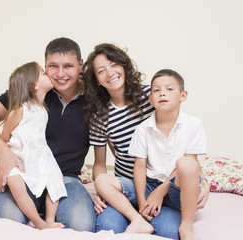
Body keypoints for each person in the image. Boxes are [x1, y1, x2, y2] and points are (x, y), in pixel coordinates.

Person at [82, 44, 209, 239]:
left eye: (114, 64)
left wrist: (204, 181)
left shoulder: (153, 95)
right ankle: (137, 218)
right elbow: (99, 164)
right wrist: (102, 192)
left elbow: (185, 150)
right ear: (97, 80)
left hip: (163, 181)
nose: (110, 73)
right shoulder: (100, 115)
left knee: (169, 232)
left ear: (124, 66)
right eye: (101, 71)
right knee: (107, 226)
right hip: (126, 185)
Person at [0, 37, 96, 231]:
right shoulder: (30, 90)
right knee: (8, 218)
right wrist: (3, 153)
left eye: (68, 66)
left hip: (65, 177)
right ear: (45, 66)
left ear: (80, 66)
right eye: (53, 66)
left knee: (80, 223)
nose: (60, 73)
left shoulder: (94, 96)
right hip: (25, 172)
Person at [128, 69, 207, 240]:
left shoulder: (193, 124)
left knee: (186, 163)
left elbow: (192, 162)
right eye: (156, 90)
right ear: (150, 99)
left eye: (169, 89)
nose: (162, 93)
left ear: (183, 95)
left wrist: (161, 191)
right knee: (106, 182)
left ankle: (187, 226)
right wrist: (143, 203)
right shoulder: (143, 129)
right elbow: (139, 166)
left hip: (179, 186)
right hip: (151, 184)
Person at [0, 61, 67, 229]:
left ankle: (50, 221)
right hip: (20, 158)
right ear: (34, 84)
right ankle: (38, 222)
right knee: (15, 182)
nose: (49, 74)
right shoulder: (20, 110)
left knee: (55, 181)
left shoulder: (43, 110)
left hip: (40, 155)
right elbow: (4, 137)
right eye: (44, 73)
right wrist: (9, 158)